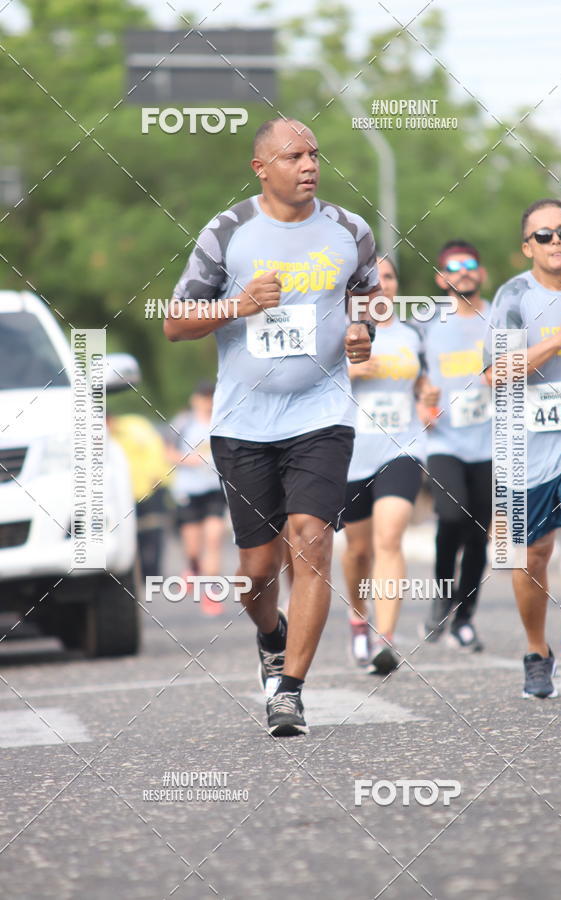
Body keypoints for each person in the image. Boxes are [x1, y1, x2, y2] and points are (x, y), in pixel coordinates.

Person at [165, 118, 380, 735]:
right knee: (257, 571)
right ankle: (270, 631)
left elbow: (366, 295)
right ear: (261, 167)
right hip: (245, 422)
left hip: (323, 411)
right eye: (294, 155)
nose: (309, 164)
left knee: (311, 539)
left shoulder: (349, 230)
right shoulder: (228, 233)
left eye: (315, 152)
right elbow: (176, 322)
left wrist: (364, 332)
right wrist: (239, 305)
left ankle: (289, 689)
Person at [483, 198, 561, 698]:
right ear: (527, 246)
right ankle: (537, 651)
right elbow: (495, 375)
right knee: (530, 557)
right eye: (544, 236)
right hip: (521, 442)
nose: (556, 242)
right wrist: (559, 338)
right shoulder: (513, 297)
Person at [341, 256, 436, 673]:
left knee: (390, 536)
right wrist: (352, 371)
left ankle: (386, 639)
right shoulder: (340, 331)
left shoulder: (414, 334)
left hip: (403, 445)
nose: (382, 285)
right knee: (358, 550)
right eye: (371, 280)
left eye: (389, 277)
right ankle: (359, 619)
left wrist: (426, 390)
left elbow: (421, 379)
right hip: (351, 451)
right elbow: (309, 382)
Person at [418, 241, 493, 651]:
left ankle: (465, 619)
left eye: (470, 265)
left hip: (491, 443)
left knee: (479, 533)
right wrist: (421, 399)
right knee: (450, 516)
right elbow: (414, 375)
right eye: (453, 267)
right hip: (445, 440)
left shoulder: (501, 317)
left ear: (480, 273)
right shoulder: (429, 324)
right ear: (441, 278)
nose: (462, 272)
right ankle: (442, 594)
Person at [166, 381, 227, 616]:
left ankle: (211, 592)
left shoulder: (222, 420)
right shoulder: (183, 422)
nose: (207, 403)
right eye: (203, 398)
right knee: (193, 549)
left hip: (214, 489)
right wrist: (187, 460)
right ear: (195, 400)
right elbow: (166, 451)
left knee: (213, 540)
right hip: (189, 491)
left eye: (211, 398)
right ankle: (192, 569)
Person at [107, 413, 171, 581]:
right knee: (132, 534)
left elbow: (154, 449)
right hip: (123, 495)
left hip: (148, 488)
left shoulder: (134, 427)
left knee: (153, 531)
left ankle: (153, 573)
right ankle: (138, 572)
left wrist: (154, 476)